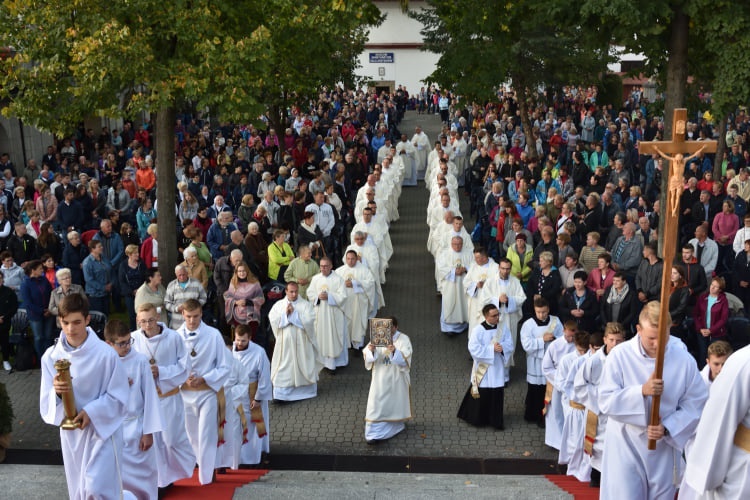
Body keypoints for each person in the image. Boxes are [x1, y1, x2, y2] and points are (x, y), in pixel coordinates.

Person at [598, 301, 708, 500]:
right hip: (626, 442)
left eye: (663, 337)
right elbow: (605, 400)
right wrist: (641, 391)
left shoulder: (683, 360)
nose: (658, 345)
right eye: (651, 338)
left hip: (662, 445)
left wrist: (668, 426)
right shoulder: (620, 356)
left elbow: (697, 403)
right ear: (638, 329)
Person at [39, 293, 129, 499]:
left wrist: (92, 411)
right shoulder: (50, 357)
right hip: (73, 433)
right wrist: (57, 392)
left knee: (98, 489)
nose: (71, 329)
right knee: (79, 489)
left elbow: (120, 396)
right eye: (66, 322)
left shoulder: (106, 354)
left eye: (77, 322)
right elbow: (46, 402)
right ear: (59, 321)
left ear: (87, 320)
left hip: (103, 431)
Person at [131, 303, 195, 489]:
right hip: (144, 401)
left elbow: (185, 367)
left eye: (151, 320)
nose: (148, 325)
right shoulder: (134, 340)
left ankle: (172, 474)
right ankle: (158, 482)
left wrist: (161, 371)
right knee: (151, 444)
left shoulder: (174, 338)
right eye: (143, 321)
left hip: (168, 398)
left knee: (170, 441)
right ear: (137, 320)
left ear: (157, 318)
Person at [103, 319, 162, 500]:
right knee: (118, 480)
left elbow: (150, 397)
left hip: (137, 428)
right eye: (121, 343)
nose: (127, 346)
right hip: (113, 430)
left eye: (129, 341)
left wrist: (148, 431)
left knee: (145, 478)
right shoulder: (104, 362)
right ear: (109, 343)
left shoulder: (140, 360)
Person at [681, 344, 748, 499]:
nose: (720, 368)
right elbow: (718, 421)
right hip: (741, 468)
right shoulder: (743, 362)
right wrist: (706, 474)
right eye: (716, 364)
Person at [176, 298, 231, 485]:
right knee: (191, 435)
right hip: (185, 394)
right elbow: (172, 366)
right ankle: (202, 465)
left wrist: (205, 378)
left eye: (196, 316)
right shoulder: (175, 336)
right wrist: (184, 378)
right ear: (182, 314)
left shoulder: (213, 335)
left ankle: (206, 477)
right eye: (189, 316)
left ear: (201, 314)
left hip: (207, 392)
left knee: (206, 434)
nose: (192, 321)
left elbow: (225, 366)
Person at [573, 322, 626, 488]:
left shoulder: (626, 359)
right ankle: (596, 477)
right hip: (599, 411)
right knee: (599, 445)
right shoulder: (594, 361)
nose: (615, 344)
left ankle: (616, 478)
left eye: (619, 341)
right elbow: (580, 385)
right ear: (605, 339)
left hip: (619, 409)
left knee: (618, 445)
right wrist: (600, 398)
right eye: (611, 340)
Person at [457, 304, 513, 429]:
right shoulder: (478, 330)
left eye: (498, 314)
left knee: (496, 395)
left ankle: (495, 421)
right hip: (483, 368)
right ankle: (478, 420)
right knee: (481, 393)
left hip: (497, 367)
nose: (497, 318)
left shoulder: (503, 328)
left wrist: (502, 347)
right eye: (494, 316)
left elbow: (510, 343)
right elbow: (473, 348)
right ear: (486, 316)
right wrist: (491, 348)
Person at [268, 282, 322, 401]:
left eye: (296, 291)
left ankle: (305, 392)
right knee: (284, 367)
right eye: (291, 291)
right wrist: (285, 315)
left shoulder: (306, 305)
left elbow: (310, 320)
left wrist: (295, 315)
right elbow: (273, 319)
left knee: (303, 364)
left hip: (302, 344)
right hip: (285, 344)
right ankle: (281, 395)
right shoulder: (279, 305)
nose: (294, 294)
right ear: (286, 291)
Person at [363, 316, 413, 444]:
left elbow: (406, 359)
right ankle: (372, 433)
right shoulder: (378, 336)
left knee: (393, 405)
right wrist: (371, 350)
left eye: (391, 328)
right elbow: (367, 356)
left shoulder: (403, 339)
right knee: (376, 406)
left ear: (395, 327)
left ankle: (396, 426)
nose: (387, 331)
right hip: (379, 379)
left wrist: (394, 351)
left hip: (396, 379)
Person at [555, 330, 592, 483]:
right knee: (573, 438)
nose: (583, 353)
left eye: (586, 350)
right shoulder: (567, 360)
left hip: (589, 408)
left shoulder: (592, 359)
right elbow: (561, 383)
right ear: (576, 346)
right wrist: (577, 395)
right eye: (580, 350)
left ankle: (584, 470)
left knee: (586, 440)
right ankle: (572, 467)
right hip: (573, 405)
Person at [232, 324, 271, 465]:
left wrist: (258, 398)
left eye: (243, 340)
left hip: (253, 391)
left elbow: (265, 376)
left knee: (254, 425)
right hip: (235, 393)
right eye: (237, 340)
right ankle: (237, 456)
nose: (240, 344)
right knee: (236, 424)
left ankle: (256, 455)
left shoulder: (259, 352)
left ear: (250, 338)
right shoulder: (229, 351)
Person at [520, 297, 563, 426]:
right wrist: (542, 340)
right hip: (536, 363)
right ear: (534, 310)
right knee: (535, 390)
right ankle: (533, 415)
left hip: (551, 362)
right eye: (538, 312)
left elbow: (562, 339)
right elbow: (526, 345)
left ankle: (547, 418)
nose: (541, 315)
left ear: (548, 309)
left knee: (548, 389)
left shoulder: (555, 321)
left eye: (544, 312)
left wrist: (554, 339)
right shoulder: (528, 324)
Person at [307, 257, 348, 371]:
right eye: (321, 266)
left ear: (331, 266)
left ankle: (336, 363)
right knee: (321, 337)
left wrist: (329, 296)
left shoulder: (338, 279)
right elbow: (310, 293)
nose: (323, 269)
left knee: (333, 337)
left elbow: (343, 296)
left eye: (325, 266)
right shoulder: (316, 279)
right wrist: (317, 297)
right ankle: (323, 363)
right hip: (320, 314)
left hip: (333, 314)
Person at [541, 320, 577, 449]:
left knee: (570, 412)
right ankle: (555, 441)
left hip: (573, 385)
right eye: (568, 336)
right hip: (556, 384)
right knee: (556, 411)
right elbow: (546, 367)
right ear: (563, 331)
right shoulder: (554, 345)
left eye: (573, 336)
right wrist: (560, 380)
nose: (570, 339)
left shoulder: (579, 345)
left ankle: (570, 441)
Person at [437, 236, 473, 335]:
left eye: (459, 244)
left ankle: (463, 325)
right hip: (450, 285)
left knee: (463, 304)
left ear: (463, 244)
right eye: (455, 244)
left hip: (463, 285)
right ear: (451, 244)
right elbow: (441, 268)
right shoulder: (445, 254)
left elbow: (474, 266)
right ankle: (448, 328)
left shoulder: (469, 253)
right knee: (449, 303)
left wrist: (465, 269)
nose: (457, 246)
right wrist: (454, 271)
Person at [692, 277, 729, 370]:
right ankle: (702, 374)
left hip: (716, 333)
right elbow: (696, 314)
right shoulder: (703, 297)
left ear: (720, 290)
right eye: (712, 285)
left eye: (716, 287)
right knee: (702, 354)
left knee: (715, 355)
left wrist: (711, 330)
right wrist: (700, 328)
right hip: (702, 332)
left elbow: (723, 319)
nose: (712, 288)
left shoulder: (723, 300)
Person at [20, 259, 55, 358]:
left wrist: (49, 309)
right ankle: (41, 358)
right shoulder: (25, 284)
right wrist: (41, 311)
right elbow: (27, 302)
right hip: (35, 315)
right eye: (40, 269)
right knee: (39, 337)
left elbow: (51, 293)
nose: (42, 270)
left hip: (48, 312)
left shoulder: (44, 280)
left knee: (48, 336)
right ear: (33, 270)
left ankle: (49, 357)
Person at [223, 261, 264, 335]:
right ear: (236, 272)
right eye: (239, 271)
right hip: (237, 315)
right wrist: (236, 302)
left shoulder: (255, 283)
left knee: (250, 338)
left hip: (252, 316)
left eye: (244, 271)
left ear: (247, 271)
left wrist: (248, 302)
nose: (242, 273)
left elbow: (261, 298)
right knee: (240, 338)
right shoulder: (233, 283)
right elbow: (228, 297)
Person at [164, 264, 207, 330]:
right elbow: (167, 303)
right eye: (179, 275)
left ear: (187, 273)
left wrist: (194, 306)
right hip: (177, 324)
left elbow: (203, 298)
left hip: (194, 322)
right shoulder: (171, 285)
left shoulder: (196, 283)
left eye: (183, 274)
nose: (182, 277)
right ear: (176, 275)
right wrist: (176, 309)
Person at [118, 244, 147, 331]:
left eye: (137, 252)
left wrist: (141, 290)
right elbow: (122, 281)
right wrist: (132, 291)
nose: (138, 254)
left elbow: (146, 277)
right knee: (132, 315)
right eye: (135, 253)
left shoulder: (141, 263)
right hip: (129, 294)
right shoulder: (123, 265)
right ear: (129, 254)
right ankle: (133, 331)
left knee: (143, 313)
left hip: (142, 293)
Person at [82, 239, 112, 315]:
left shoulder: (104, 258)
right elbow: (89, 279)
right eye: (99, 246)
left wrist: (110, 284)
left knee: (106, 314)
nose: (102, 247)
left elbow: (110, 269)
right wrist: (103, 287)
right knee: (98, 316)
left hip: (106, 292)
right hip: (94, 294)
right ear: (93, 249)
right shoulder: (87, 262)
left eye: (101, 246)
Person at [0, 272, 19, 372]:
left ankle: (6, 360)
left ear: (2, 279)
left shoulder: (8, 292)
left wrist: (4, 317)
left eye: (0, 278)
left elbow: (14, 307)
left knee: (4, 341)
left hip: (4, 322)